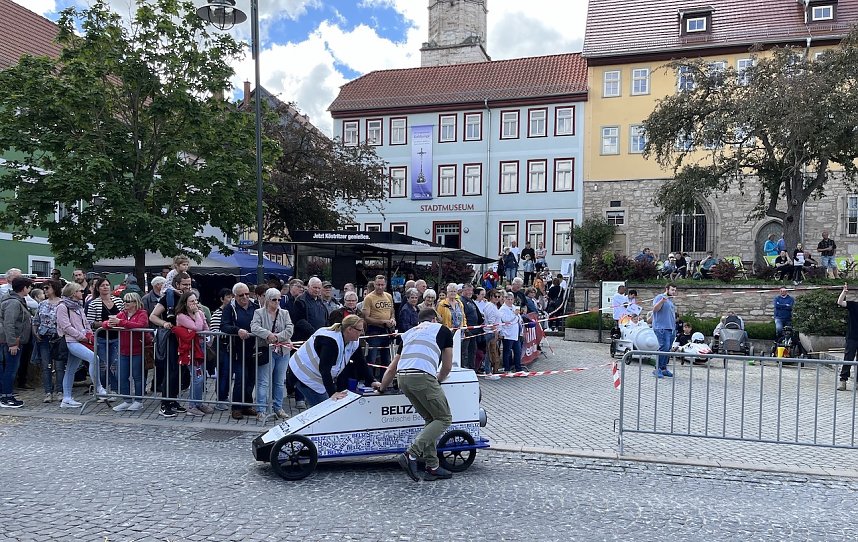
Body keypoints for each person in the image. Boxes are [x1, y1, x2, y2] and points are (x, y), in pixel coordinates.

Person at [378, 308, 454, 482]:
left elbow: (392, 367)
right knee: (444, 418)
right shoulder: (442, 330)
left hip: (403, 378)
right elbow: (447, 366)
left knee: (430, 419)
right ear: (435, 319)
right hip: (422, 377)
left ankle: (432, 466)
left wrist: (382, 388)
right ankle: (411, 454)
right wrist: (438, 380)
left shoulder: (409, 334)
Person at [288, 315, 376, 407]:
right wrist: (332, 393)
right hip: (303, 373)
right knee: (323, 410)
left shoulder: (353, 342)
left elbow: (361, 362)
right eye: (360, 330)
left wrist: (371, 381)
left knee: (324, 408)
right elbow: (324, 369)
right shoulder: (330, 341)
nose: (362, 333)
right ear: (349, 329)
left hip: (316, 376)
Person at [149, 272, 193, 418]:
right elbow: (153, 316)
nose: (187, 287)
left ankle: (173, 401)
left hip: (184, 339)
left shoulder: (189, 298)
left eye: (189, 284)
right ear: (177, 285)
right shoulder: (168, 298)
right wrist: (165, 323)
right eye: (184, 284)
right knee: (172, 371)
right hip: (172, 338)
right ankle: (164, 404)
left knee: (180, 371)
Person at [251, 288, 294, 420]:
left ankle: (278, 408)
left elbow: (290, 328)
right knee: (263, 381)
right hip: (266, 350)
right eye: (274, 299)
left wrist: (277, 337)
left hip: (282, 350)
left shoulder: (284, 313)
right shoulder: (259, 312)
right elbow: (254, 327)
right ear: (268, 300)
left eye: (279, 299)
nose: (277, 302)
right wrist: (268, 334)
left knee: (279, 381)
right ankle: (261, 409)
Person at [219, 282, 259, 420]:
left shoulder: (255, 306)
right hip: (237, 348)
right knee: (241, 378)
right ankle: (236, 407)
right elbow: (224, 326)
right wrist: (237, 330)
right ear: (235, 296)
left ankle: (247, 405)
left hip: (253, 348)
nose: (245, 297)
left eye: (247, 294)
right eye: (241, 295)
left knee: (251, 379)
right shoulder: (230, 308)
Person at [104, 291, 148, 412]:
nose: (125, 303)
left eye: (128, 301)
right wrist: (109, 323)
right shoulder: (122, 314)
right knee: (121, 376)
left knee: (137, 376)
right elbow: (106, 323)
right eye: (124, 301)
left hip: (137, 350)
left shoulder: (142, 313)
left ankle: (139, 401)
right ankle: (127, 400)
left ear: (135, 303)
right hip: (123, 350)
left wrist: (120, 323)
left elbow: (141, 325)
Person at [55, 282, 95, 408]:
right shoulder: (62, 307)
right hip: (71, 340)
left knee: (71, 369)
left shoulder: (78, 306)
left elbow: (85, 322)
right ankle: (98, 386)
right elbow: (65, 326)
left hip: (79, 339)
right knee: (94, 358)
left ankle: (67, 398)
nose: (82, 293)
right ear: (73, 293)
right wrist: (81, 336)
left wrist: (89, 333)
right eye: (80, 291)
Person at [173, 290, 210, 416]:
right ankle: (192, 405)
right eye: (192, 301)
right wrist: (197, 314)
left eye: (196, 301)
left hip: (201, 346)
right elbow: (197, 328)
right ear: (185, 303)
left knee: (201, 377)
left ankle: (198, 402)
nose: (195, 303)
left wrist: (199, 315)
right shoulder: (181, 316)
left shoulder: (199, 312)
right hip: (190, 350)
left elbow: (205, 328)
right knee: (197, 378)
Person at [86, 277, 124, 398]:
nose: (105, 287)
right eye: (102, 285)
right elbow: (90, 322)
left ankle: (113, 389)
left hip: (116, 337)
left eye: (107, 285)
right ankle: (100, 389)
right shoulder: (94, 303)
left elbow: (123, 317)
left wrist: (117, 322)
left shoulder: (118, 301)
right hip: (101, 337)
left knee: (114, 365)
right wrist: (104, 323)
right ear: (98, 288)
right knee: (102, 365)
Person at [0, 277, 34, 408]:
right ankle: (6, 397)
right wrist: (12, 343)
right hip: (11, 341)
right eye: (29, 287)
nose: (30, 290)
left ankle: (6, 395)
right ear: (24, 288)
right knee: (10, 369)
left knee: (8, 368)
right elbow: (9, 323)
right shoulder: (13, 303)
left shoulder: (15, 301)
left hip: (11, 340)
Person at [32, 279, 64, 403]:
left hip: (58, 336)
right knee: (46, 366)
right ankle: (48, 392)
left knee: (60, 366)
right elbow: (36, 319)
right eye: (44, 288)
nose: (45, 290)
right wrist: (35, 332)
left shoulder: (62, 303)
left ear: (54, 289)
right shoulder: (42, 304)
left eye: (47, 288)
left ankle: (60, 390)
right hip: (44, 336)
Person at [363, 275, 395, 370]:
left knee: (386, 359)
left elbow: (392, 311)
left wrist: (393, 319)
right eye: (378, 285)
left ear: (385, 285)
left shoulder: (388, 296)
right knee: (372, 358)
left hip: (386, 331)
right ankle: (370, 381)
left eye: (382, 285)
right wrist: (382, 321)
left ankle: (383, 381)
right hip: (374, 330)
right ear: (374, 284)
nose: (380, 287)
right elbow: (366, 317)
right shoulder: (369, 298)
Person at [211, 288, 234, 410]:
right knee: (223, 372)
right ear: (222, 299)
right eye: (228, 297)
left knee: (228, 373)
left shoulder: (232, 311)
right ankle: (220, 398)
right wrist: (230, 332)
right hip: (221, 346)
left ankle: (224, 395)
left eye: (231, 296)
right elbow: (214, 331)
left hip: (231, 346)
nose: (231, 299)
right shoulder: (217, 313)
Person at [652, 283, 677, 378]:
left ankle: (663, 368)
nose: (674, 292)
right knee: (664, 347)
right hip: (661, 327)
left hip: (671, 328)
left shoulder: (670, 300)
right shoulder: (660, 297)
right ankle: (657, 368)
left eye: (675, 290)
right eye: (672, 290)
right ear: (667, 289)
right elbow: (655, 309)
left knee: (668, 349)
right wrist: (662, 301)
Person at [837, 284, 858, 392]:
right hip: (852, 336)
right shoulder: (854, 305)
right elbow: (840, 302)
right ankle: (843, 381)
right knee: (848, 358)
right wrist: (844, 293)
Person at [498, 291, 525, 374]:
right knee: (507, 352)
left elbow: (519, 319)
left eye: (511, 299)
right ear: (505, 299)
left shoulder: (514, 307)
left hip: (516, 333)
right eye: (508, 299)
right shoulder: (502, 309)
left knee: (518, 351)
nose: (510, 301)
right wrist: (514, 314)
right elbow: (506, 320)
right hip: (507, 334)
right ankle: (507, 368)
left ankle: (518, 368)